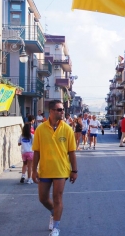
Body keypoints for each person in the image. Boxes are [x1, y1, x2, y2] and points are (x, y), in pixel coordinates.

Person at [32, 100, 78, 236]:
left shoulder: (67, 129)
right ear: (51, 111)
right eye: (59, 109)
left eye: (62, 109)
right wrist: (33, 170)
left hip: (61, 170)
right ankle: (54, 212)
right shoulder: (40, 129)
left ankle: (56, 227)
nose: (62, 112)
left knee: (58, 197)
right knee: (43, 198)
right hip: (45, 170)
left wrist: (74, 170)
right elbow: (36, 152)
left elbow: (72, 152)